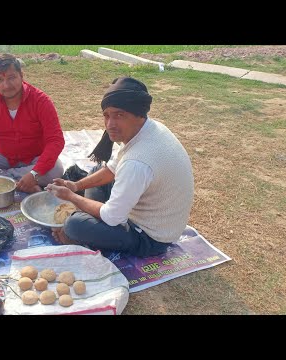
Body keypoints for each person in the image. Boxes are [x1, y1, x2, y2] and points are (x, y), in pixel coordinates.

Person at [46, 77, 194, 257]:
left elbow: (112, 217)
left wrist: (72, 197)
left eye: (119, 115)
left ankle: (85, 230)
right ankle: (95, 214)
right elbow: (112, 170)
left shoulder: (137, 162)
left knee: (74, 225)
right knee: (96, 173)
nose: (110, 124)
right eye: (107, 115)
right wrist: (76, 186)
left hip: (151, 237)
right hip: (145, 208)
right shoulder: (150, 128)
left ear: (139, 115)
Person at [0, 54, 65, 193]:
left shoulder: (41, 101)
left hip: (34, 158)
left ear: (22, 75)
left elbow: (55, 140)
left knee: (55, 169)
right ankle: (18, 183)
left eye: (11, 78)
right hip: (3, 157)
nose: (6, 85)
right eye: (0, 80)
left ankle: (2, 181)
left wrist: (34, 173)